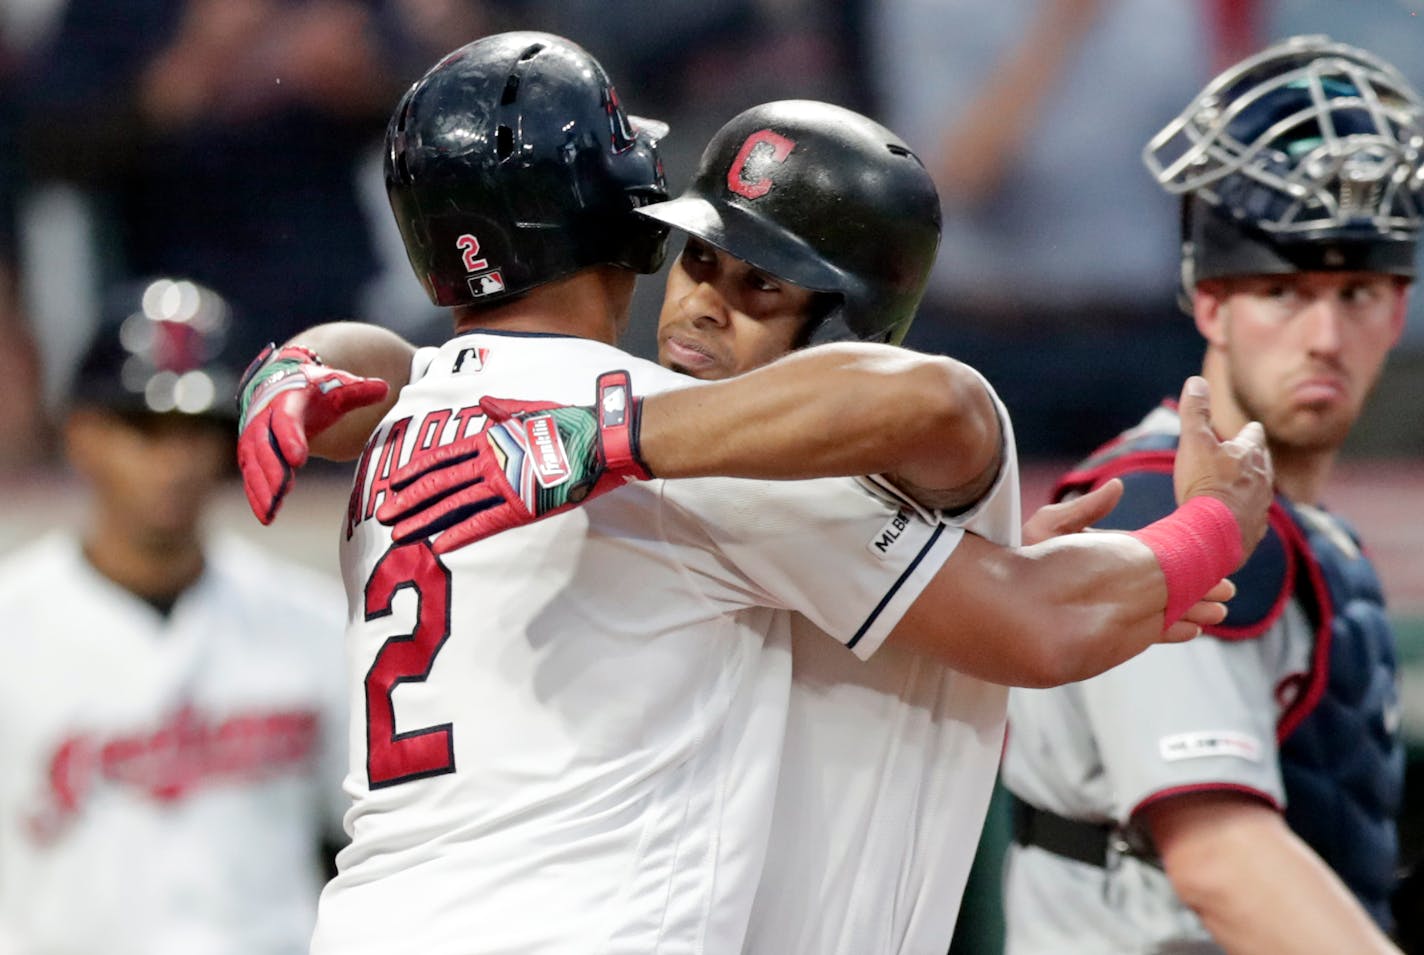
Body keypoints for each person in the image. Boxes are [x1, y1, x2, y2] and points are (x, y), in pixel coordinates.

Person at [236, 32, 1273, 954]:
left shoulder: (402, 419)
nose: (700, 305)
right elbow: (1041, 611)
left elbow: (920, 444)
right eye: (697, 258)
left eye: (760, 283)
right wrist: (1214, 525)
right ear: (629, 226)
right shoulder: (708, 461)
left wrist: (283, 363)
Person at [1000, 35, 1421, 954]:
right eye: (1282, 290)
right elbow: (1221, 859)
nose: (1323, 333)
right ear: (1210, 305)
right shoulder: (1158, 508)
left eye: (1356, 291)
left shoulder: (1310, 528)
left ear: (1398, 307)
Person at [0, 276, 349, 954]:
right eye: (143, 427)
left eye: (197, 429)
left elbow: (380, 831)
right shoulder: (9, 624)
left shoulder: (309, 619)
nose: (174, 460)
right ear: (82, 434)